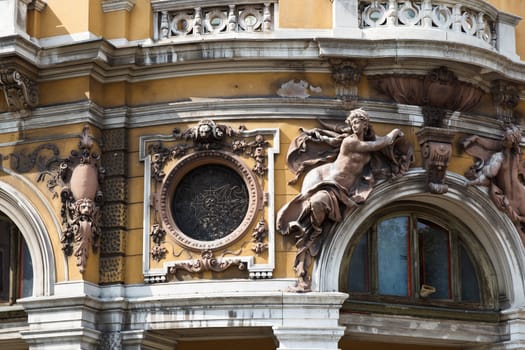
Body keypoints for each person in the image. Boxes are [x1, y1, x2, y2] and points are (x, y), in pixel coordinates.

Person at [277, 108, 409, 292]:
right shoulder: (350, 142)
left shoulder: (367, 142)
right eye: (352, 123)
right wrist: (394, 134)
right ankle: (305, 254)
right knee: (314, 205)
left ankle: (309, 246)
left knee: (317, 211)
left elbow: (378, 144)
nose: (354, 126)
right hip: (327, 181)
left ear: (365, 124)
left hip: (345, 189)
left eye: (358, 122)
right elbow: (380, 143)